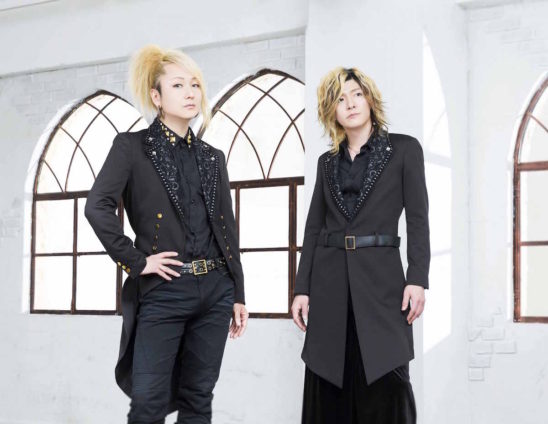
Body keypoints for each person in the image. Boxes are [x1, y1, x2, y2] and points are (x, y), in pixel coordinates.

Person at [85, 44, 248, 424]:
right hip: (163, 290)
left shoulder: (213, 157)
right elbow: (97, 207)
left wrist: (237, 292)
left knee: (198, 399)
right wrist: (136, 261)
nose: (191, 93)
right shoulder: (131, 148)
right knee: (148, 403)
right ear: (156, 97)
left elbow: (227, 228)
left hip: (216, 291)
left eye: (195, 84)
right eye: (178, 85)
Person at [291, 67, 430, 424]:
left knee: (388, 381)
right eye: (340, 99)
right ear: (331, 110)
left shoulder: (403, 149)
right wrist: (302, 288)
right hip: (329, 285)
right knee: (328, 382)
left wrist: (417, 278)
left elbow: (418, 219)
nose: (350, 104)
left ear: (369, 99)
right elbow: (313, 228)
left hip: (383, 285)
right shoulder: (326, 163)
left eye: (356, 94)